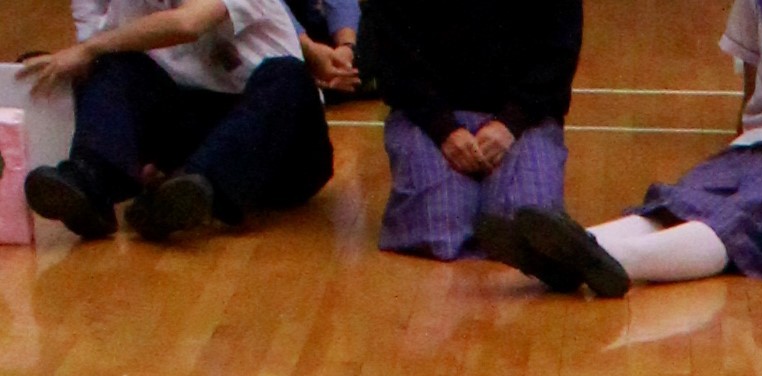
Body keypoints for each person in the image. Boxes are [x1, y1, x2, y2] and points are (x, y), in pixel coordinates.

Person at [479, 0, 762, 297]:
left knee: (747, 213)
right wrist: (740, 158)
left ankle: (610, 258)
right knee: (688, 198)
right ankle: (573, 246)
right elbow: (752, 96)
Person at [22, 0, 334, 243]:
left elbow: (188, 24)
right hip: (199, 131)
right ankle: (91, 179)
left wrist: (89, 49)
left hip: (282, 144)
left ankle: (196, 187)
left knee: (287, 75)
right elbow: (101, 65)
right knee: (114, 63)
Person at [356, 0, 580, 262]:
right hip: (429, 117)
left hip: (523, 119)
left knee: (526, 233)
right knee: (438, 234)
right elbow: (392, 55)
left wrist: (510, 124)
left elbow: (559, 53)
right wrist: (444, 130)